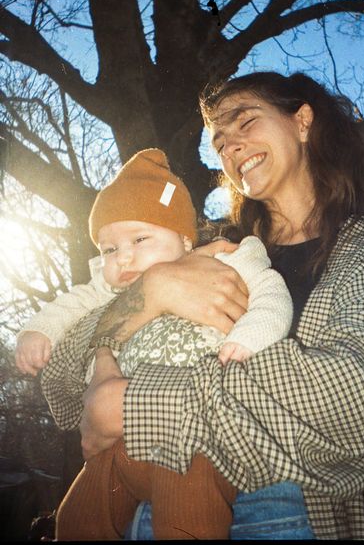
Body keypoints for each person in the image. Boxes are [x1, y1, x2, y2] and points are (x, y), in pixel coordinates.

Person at [42, 71, 364, 540]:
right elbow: (62, 378)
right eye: (219, 142)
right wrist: (149, 294)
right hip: (135, 502)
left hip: (286, 512)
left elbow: (348, 400)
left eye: (245, 122)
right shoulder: (215, 250)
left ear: (302, 121)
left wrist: (133, 402)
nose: (231, 147)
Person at [15, 148, 293, 540]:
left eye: (140, 238)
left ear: (183, 237)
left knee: (188, 517)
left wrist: (250, 338)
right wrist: (38, 331)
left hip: (193, 435)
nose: (123, 258)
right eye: (109, 249)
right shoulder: (110, 286)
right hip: (120, 442)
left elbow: (271, 292)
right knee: (78, 517)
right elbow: (72, 303)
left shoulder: (224, 260)